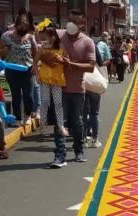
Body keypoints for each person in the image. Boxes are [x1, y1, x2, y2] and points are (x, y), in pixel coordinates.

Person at [50, 9, 95, 168]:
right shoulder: (58, 35)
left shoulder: (87, 42)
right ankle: (60, 155)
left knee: (77, 121)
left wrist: (71, 64)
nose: (71, 24)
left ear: (82, 24)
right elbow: (41, 42)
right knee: (59, 122)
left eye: (75, 21)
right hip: (58, 87)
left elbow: (90, 66)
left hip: (77, 89)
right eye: (69, 19)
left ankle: (79, 150)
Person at [0, 9, 37, 125]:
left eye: (26, 23)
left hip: (27, 70)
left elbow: (35, 53)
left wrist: (35, 66)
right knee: (15, 94)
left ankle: (28, 114)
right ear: (17, 23)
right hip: (11, 70)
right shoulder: (7, 36)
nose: (23, 25)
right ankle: (17, 117)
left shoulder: (31, 37)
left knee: (28, 95)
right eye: (21, 22)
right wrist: (6, 50)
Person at [34, 19, 67, 136]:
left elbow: (67, 61)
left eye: (51, 35)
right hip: (45, 78)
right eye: (47, 36)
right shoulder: (43, 47)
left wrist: (62, 60)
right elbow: (35, 61)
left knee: (58, 103)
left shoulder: (61, 46)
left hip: (57, 78)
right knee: (45, 102)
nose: (49, 38)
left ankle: (60, 126)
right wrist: (37, 74)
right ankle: (43, 125)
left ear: (55, 36)